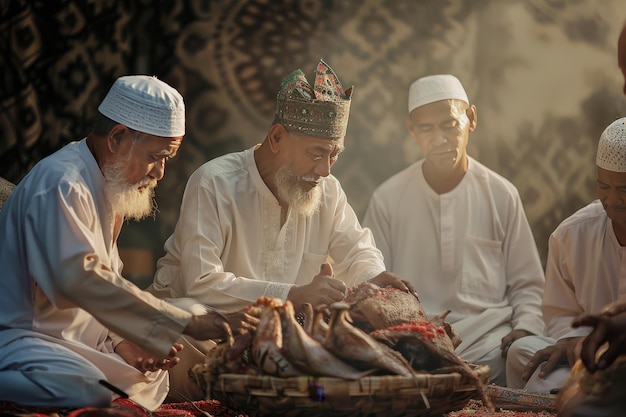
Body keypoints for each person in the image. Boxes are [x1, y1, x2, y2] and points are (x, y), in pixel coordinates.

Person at [147, 59, 413, 400]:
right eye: (316, 153)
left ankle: (270, 387)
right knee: (182, 318)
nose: (325, 169)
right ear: (276, 137)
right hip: (212, 332)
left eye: (334, 155)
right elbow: (201, 284)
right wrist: (294, 295)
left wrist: (373, 278)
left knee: (364, 336)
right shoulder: (214, 182)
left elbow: (358, 249)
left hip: (283, 342)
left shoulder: (326, 190)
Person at [0, 75, 257, 411]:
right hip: (27, 340)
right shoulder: (62, 184)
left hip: (79, 343)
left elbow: (111, 278)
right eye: (157, 156)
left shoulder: (103, 182)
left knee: (167, 346)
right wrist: (190, 324)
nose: (161, 173)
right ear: (118, 137)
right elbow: (80, 279)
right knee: (90, 393)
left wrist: (124, 342)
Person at [362, 74, 546, 386]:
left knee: (529, 354)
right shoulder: (387, 198)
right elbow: (372, 282)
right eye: (426, 128)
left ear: (471, 119)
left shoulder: (501, 194)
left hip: (491, 346)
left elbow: (527, 284)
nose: (439, 138)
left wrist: (525, 327)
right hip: (415, 350)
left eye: (449, 124)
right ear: (411, 130)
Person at [506, 117, 626, 393]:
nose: (612, 200)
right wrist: (576, 343)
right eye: (604, 187)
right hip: (583, 353)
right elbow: (561, 313)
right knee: (520, 353)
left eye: (623, 189)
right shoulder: (572, 234)